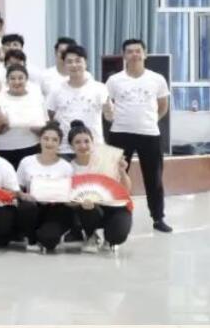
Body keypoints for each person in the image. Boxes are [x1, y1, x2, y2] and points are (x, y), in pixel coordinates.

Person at [105, 38, 172, 233]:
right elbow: (107, 105)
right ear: (124, 55)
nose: (134, 54)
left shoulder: (157, 79)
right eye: (130, 51)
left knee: (154, 178)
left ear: (145, 54)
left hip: (149, 134)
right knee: (114, 175)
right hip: (119, 133)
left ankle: (158, 218)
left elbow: (163, 106)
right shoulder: (114, 80)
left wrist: (150, 121)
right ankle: (112, 215)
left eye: (138, 51)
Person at [67, 121, 133, 252]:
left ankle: (110, 237)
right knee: (87, 209)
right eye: (77, 142)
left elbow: (126, 190)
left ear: (93, 142)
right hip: (90, 209)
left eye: (86, 141)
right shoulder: (69, 168)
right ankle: (91, 235)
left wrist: (122, 172)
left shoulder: (107, 160)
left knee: (117, 236)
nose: (83, 146)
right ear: (71, 146)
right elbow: (67, 200)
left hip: (114, 207)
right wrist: (79, 202)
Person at [14, 123, 75, 253]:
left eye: (54, 140)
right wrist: (22, 195)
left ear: (59, 143)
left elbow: (70, 193)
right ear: (40, 140)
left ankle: (49, 235)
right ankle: (31, 238)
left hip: (55, 209)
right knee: (26, 207)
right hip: (33, 207)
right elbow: (17, 187)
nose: (49, 143)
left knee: (49, 240)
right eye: (46, 138)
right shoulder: (27, 161)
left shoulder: (66, 167)